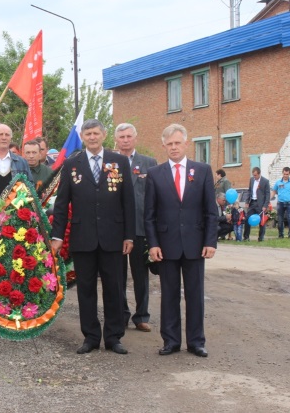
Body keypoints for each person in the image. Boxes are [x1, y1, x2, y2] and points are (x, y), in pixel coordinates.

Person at [50, 119, 135, 355]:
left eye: (96, 133)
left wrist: (129, 235)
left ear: (104, 135)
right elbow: (61, 203)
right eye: (88, 134)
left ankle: (113, 337)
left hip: (114, 237)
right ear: (83, 136)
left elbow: (128, 201)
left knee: (114, 288)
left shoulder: (119, 162)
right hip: (83, 237)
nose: (92, 137)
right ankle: (90, 337)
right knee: (86, 289)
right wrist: (57, 235)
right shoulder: (71, 164)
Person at [145, 123, 217, 358]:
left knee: (195, 294)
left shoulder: (203, 170)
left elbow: (210, 211)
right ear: (164, 146)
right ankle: (171, 341)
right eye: (169, 144)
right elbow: (150, 215)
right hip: (166, 245)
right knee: (169, 294)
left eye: (178, 143)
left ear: (186, 143)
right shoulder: (155, 174)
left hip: (196, 244)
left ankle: (196, 342)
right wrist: (153, 244)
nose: (174, 147)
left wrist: (210, 241)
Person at [114, 122, 158, 332]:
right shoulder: (110, 162)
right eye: (121, 137)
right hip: (117, 227)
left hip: (140, 226)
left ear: (135, 138)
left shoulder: (149, 163)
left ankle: (141, 316)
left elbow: (155, 197)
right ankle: (121, 314)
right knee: (117, 274)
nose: (125, 140)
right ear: (116, 140)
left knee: (141, 274)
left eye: (129, 136)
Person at [243, 167, 270, 242]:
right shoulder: (251, 180)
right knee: (247, 219)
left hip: (260, 204)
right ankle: (246, 237)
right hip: (252, 203)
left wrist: (265, 205)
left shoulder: (265, 181)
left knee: (261, 221)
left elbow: (267, 194)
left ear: (259, 174)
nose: (254, 177)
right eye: (253, 175)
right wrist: (247, 201)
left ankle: (261, 238)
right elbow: (249, 191)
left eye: (255, 175)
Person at [272, 167, 290, 238]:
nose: (286, 175)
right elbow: (274, 191)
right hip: (280, 203)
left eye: (287, 174)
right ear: (282, 173)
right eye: (284, 174)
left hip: (289, 203)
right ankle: (280, 235)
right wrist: (269, 199)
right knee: (280, 219)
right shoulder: (278, 182)